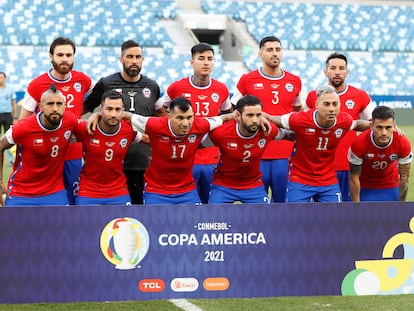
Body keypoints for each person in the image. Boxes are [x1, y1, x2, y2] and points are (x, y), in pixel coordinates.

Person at [83, 39, 164, 205]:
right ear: (121, 59)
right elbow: (83, 109)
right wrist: (96, 115)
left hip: (143, 162)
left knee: (140, 216)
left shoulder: (152, 86)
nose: (134, 61)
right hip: (111, 164)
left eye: (138, 57)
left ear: (143, 59)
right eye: (129, 57)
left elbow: (161, 118)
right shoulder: (106, 83)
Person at [19, 37, 92, 205]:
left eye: (69, 54)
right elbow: (23, 121)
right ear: (51, 56)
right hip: (45, 157)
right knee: (46, 201)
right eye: (60, 54)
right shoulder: (37, 85)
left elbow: (101, 96)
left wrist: (88, 112)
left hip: (72, 153)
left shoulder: (83, 80)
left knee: (73, 202)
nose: (65, 58)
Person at [119, 97, 234, 204]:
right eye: (180, 118)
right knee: (155, 225)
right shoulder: (154, 124)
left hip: (187, 190)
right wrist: (100, 115)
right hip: (156, 190)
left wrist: (236, 115)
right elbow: (126, 116)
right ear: (169, 116)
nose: (185, 123)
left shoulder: (200, 124)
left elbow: (224, 118)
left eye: (189, 117)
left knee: (194, 223)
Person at [267, 85, 370, 203]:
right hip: (300, 178)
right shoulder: (300, 119)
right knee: (295, 218)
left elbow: (357, 124)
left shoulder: (344, 120)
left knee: (333, 218)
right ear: (316, 105)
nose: (331, 109)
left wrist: (375, 125)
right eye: (326, 104)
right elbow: (274, 120)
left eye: (335, 104)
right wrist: (261, 117)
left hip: (328, 180)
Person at [231, 35, 302, 202]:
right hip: (256, 152)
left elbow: (298, 112)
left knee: (283, 203)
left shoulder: (294, 81)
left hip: (285, 151)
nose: (275, 53)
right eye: (269, 50)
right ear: (260, 54)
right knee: (257, 205)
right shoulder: (247, 80)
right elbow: (235, 110)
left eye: (278, 49)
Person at [162, 42, 232, 203]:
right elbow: (161, 110)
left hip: (212, 157)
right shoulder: (176, 88)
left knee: (211, 206)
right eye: (201, 58)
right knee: (187, 206)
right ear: (192, 62)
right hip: (185, 158)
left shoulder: (221, 89)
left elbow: (227, 114)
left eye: (210, 58)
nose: (206, 62)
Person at [304, 52, 375, 201]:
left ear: (347, 72)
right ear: (326, 71)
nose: (337, 72)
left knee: (347, 211)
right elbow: (303, 125)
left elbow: (375, 122)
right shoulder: (313, 97)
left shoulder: (360, 95)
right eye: (333, 68)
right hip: (319, 168)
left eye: (341, 68)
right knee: (320, 214)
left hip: (348, 165)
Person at [203, 95, 290, 204]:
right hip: (223, 186)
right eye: (249, 115)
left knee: (265, 218)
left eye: (258, 115)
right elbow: (197, 144)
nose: (255, 120)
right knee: (216, 218)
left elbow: (290, 135)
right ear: (238, 116)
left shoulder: (268, 130)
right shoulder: (221, 133)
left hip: (253, 186)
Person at [0, 85, 78, 206]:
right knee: (14, 225)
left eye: (59, 104)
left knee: (62, 224)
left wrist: (97, 115)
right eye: (50, 104)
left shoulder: (71, 121)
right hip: (21, 192)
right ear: (40, 106)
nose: (55, 108)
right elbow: (1, 145)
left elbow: (89, 131)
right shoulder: (23, 128)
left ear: (65, 105)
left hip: (54, 192)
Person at [74, 90, 143, 205]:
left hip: (118, 191)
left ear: (123, 111)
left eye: (117, 110)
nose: (113, 114)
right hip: (89, 190)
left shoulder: (129, 130)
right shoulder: (86, 128)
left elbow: (148, 139)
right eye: (109, 109)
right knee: (85, 223)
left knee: (124, 223)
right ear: (101, 110)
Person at [348, 106, 412, 202]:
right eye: (379, 127)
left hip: (390, 184)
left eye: (388, 127)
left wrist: (401, 206)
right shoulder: (359, 143)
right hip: (364, 185)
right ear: (372, 125)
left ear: (394, 126)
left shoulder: (403, 143)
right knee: (360, 216)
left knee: (392, 216)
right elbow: (354, 177)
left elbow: (405, 177)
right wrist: (356, 207)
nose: (384, 133)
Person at [0, 71, 17, 166]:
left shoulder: (10, 90)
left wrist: (14, 117)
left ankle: (11, 160)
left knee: (9, 137)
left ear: (5, 78)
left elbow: (14, 104)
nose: (0, 79)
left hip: (7, 116)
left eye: (1, 77)